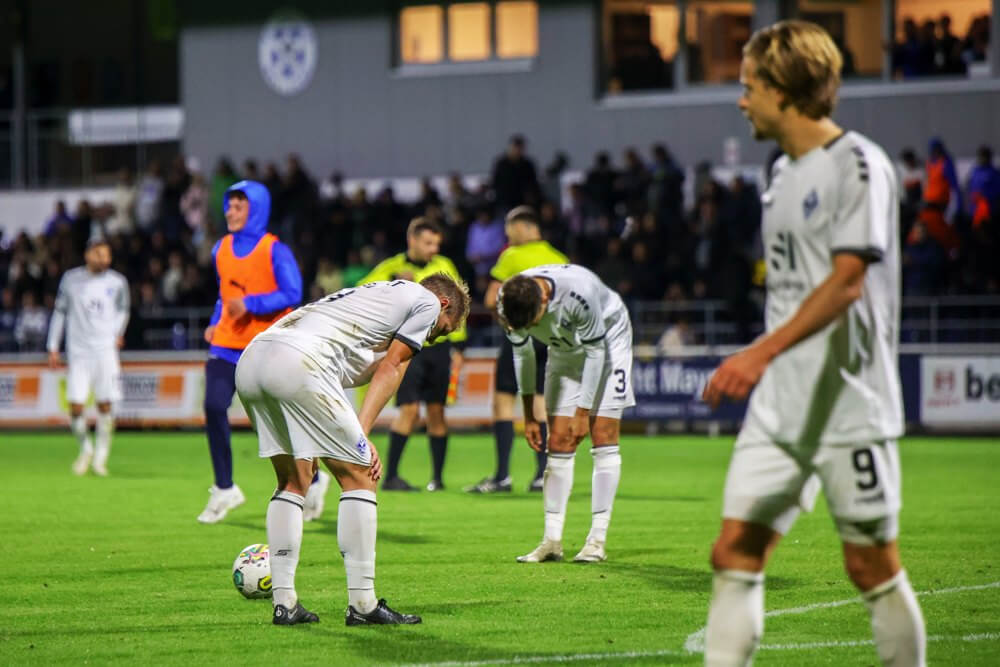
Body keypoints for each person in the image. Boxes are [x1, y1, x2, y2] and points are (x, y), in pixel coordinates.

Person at [699, 21, 925, 666]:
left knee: (870, 565)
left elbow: (847, 281)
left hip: (850, 404)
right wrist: (768, 364)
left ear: (783, 89)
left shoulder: (859, 164)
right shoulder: (781, 175)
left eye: (748, 88)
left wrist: (756, 352)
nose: (741, 101)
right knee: (733, 552)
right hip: (779, 409)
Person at [234, 274, 470, 625]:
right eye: (445, 329)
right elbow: (392, 366)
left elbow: (347, 370)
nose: (437, 337)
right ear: (445, 304)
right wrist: (361, 435)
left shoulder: (371, 303)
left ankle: (284, 604)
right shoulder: (427, 302)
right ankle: (363, 605)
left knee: (294, 481)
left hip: (255, 359)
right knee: (361, 475)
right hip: (297, 361)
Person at [497, 264, 634, 563]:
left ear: (544, 303)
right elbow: (523, 354)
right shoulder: (507, 300)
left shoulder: (578, 293)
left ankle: (596, 540)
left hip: (608, 342)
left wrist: (582, 412)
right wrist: (529, 415)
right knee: (558, 439)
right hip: (563, 348)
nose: (531, 330)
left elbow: (596, 353)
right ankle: (552, 541)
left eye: (534, 324)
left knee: (603, 433)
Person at [197, 181, 314, 524]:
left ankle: (313, 479)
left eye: (238, 206)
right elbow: (224, 294)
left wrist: (249, 304)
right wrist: (215, 320)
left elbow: (292, 292)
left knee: (281, 418)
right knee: (213, 406)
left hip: (266, 344)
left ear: (257, 209)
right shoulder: (221, 247)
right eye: (228, 205)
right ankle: (224, 488)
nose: (229, 212)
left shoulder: (275, 250)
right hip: (226, 343)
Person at [357, 218, 468, 492]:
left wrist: (460, 347)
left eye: (436, 244)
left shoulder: (445, 266)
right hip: (409, 348)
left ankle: (437, 479)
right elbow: (363, 289)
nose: (433, 249)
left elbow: (457, 309)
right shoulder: (392, 267)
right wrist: (393, 282)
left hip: (440, 349)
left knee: (437, 412)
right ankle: (392, 475)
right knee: (409, 410)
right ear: (413, 240)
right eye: (428, 243)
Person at [466, 206, 568, 494]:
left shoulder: (512, 256)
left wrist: (505, 314)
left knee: (503, 401)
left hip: (518, 335)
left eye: (511, 232)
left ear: (524, 227)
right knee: (539, 402)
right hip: (549, 338)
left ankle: (502, 477)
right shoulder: (559, 259)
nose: (508, 239)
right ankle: (541, 475)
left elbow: (489, 298)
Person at [46, 236, 129, 476]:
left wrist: (118, 332)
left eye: (108, 255)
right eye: (100, 254)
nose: (105, 259)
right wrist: (53, 346)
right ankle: (85, 449)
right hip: (79, 353)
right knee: (75, 406)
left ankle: (100, 459)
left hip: (105, 352)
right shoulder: (71, 280)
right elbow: (60, 314)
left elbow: (124, 310)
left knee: (105, 404)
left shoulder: (117, 282)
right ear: (88, 255)